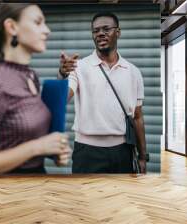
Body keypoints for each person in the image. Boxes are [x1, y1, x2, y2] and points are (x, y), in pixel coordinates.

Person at [0, 3, 71, 175]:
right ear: (12, 27)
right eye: (38, 22)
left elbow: (25, 136)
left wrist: (53, 150)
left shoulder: (30, 76)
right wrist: (37, 147)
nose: (47, 30)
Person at [58, 12, 147, 174]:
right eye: (96, 30)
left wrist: (142, 156)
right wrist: (62, 74)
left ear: (118, 32)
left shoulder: (133, 72)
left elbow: (138, 117)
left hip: (123, 151)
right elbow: (62, 99)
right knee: (85, 199)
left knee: (121, 198)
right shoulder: (78, 67)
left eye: (106, 29)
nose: (100, 33)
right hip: (87, 152)